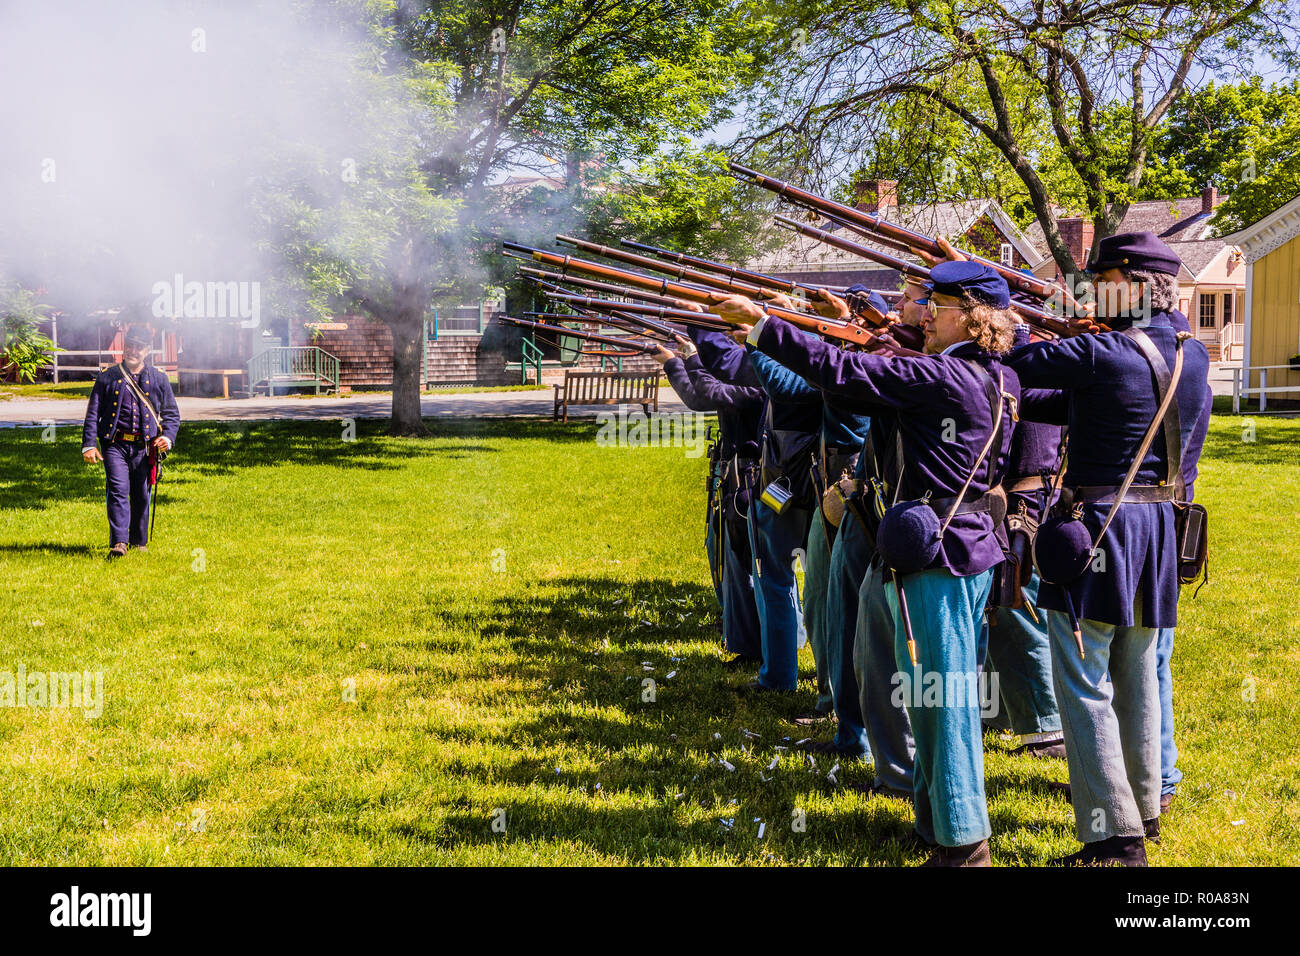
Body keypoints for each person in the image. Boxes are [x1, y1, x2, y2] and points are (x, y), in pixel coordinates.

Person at [712, 260, 1020, 866]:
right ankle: (936, 820)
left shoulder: (949, 379)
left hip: (938, 555)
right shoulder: (991, 376)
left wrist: (765, 326)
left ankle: (965, 843)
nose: (926, 311)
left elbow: (848, 369)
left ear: (974, 316)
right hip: (941, 544)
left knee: (943, 698)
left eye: (942, 304)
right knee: (917, 689)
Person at [1006, 231, 1211, 866]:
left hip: (1101, 527)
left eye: (1103, 278)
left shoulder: (1102, 352)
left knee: (1083, 677)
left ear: (1133, 283)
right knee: (1138, 675)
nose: (1090, 289)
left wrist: (1010, 322)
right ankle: (1145, 810)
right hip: (1159, 530)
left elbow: (1014, 366)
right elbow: (1070, 402)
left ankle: (1111, 837)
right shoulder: (1189, 350)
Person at [654, 332, 764, 665]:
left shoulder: (758, 374)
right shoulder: (740, 370)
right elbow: (700, 395)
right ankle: (739, 627)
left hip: (749, 476)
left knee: (750, 565)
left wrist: (686, 358)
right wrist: (673, 361)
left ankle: (758, 645)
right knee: (725, 555)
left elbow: (707, 394)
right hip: (731, 472)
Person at [82, 323, 180, 557]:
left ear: (146, 351)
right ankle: (119, 542)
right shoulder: (108, 377)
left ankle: (139, 540)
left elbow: (171, 414)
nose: (132, 351)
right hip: (114, 445)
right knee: (117, 489)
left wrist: (167, 436)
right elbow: (93, 413)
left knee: (141, 493)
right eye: (129, 346)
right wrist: (89, 444)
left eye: (138, 347)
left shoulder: (158, 378)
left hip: (145, 446)